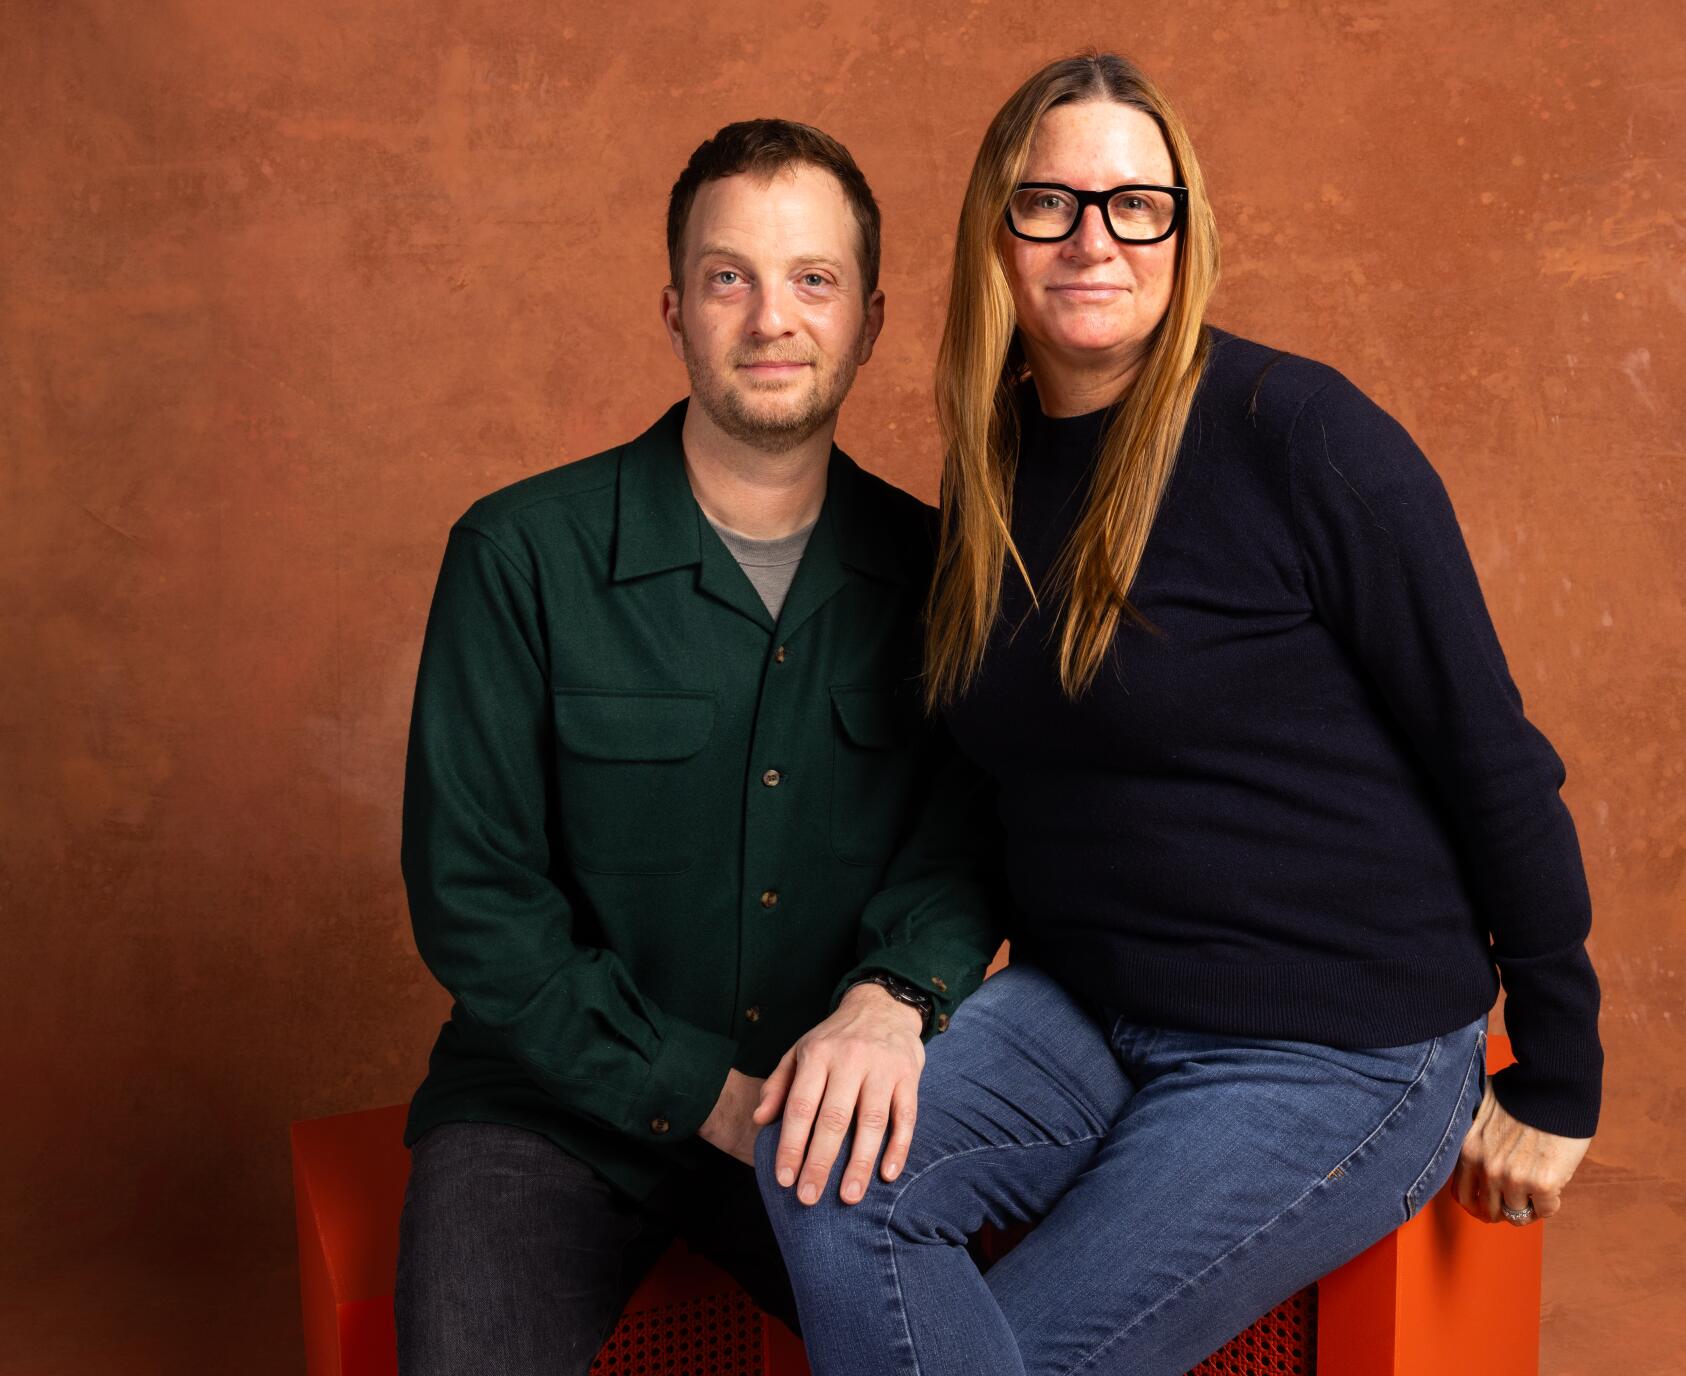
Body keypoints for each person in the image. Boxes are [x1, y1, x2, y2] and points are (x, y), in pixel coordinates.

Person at [755, 54, 1603, 1376]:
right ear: (997, 232)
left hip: (1335, 1047)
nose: (1094, 238)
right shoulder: (998, 462)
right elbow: (999, 785)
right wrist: (888, 992)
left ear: (1184, 231)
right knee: (819, 1170)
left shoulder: (1300, 435)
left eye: (1134, 204)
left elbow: (1493, 755)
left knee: (1014, 1359)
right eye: (1050, 203)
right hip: (1089, 1004)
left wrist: (1560, 1076)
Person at [393, 118, 1000, 1376]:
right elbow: (476, 903)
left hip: (819, 1119)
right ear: (674, 305)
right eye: (731, 276)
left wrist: (896, 999)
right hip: (543, 1115)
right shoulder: (518, 557)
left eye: (812, 280)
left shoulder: (947, 576)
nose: (770, 317)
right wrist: (709, 1094)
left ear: (871, 318)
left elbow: (967, 842)